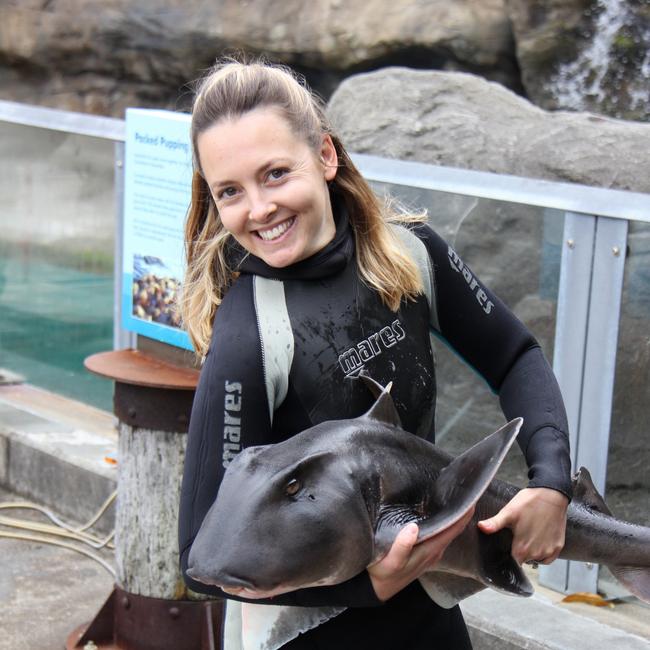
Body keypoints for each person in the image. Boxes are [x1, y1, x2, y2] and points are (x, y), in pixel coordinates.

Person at [178, 58, 572, 650]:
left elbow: (515, 355)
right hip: (306, 630)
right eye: (229, 191)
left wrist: (552, 482)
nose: (258, 209)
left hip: (428, 604)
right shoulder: (248, 331)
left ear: (326, 157)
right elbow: (201, 556)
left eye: (276, 174)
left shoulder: (406, 250)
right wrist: (374, 586)